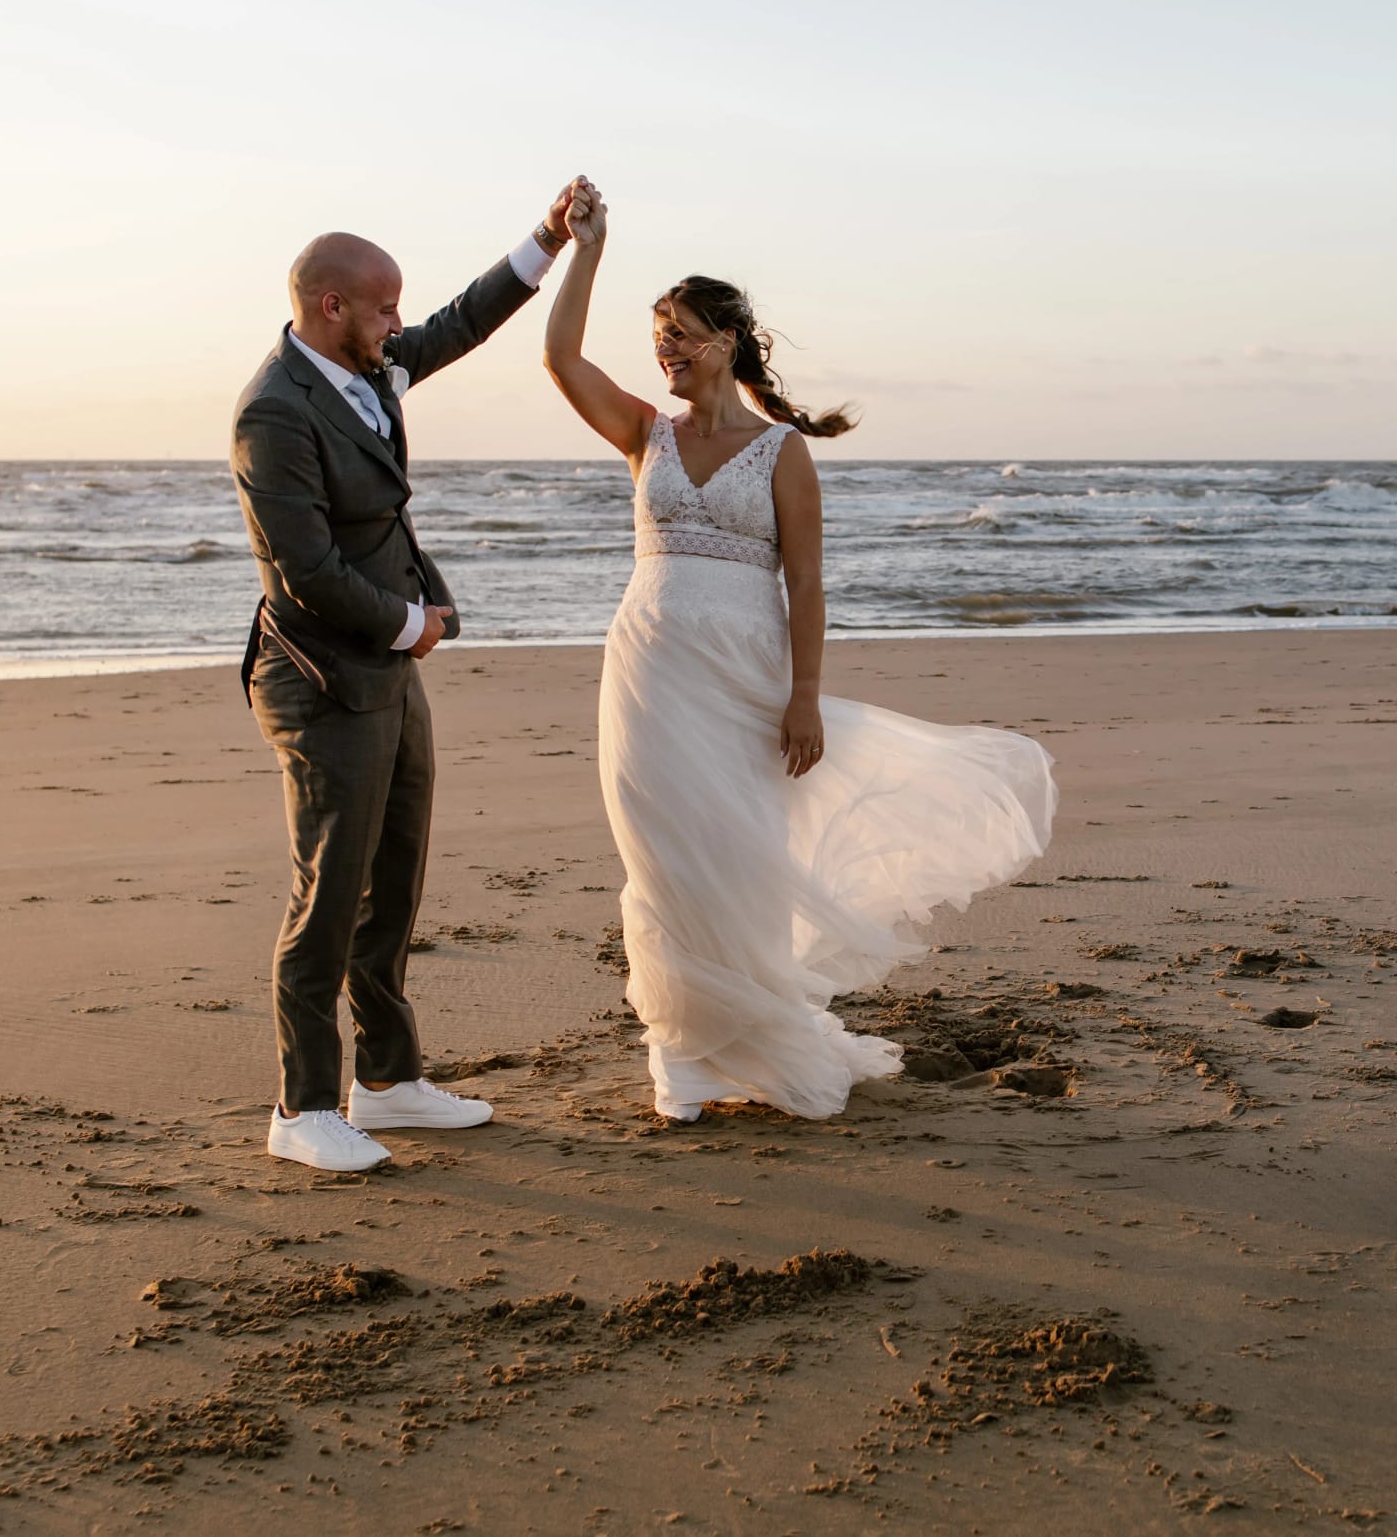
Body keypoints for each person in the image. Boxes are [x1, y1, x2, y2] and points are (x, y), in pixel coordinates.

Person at [539, 179, 1057, 1120]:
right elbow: (558, 354)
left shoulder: (782, 451)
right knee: (660, 854)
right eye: (659, 335)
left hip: (747, 680)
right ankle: (680, 1052)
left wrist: (806, 696)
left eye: (683, 332)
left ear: (726, 342)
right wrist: (585, 249)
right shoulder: (642, 434)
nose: (667, 348)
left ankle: (735, 1032)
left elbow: (806, 584)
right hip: (648, 671)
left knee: (736, 854)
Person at [231, 183, 580, 1172]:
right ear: (330, 307)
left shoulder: (371, 369)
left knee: (394, 876)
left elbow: (463, 322)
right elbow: (305, 569)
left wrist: (546, 239)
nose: (400, 322)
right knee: (327, 890)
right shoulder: (273, 412)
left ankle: (385, 1082)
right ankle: (302, 1108)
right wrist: (409, 624)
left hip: (387, 665)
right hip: (319, 678)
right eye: (384, 307)